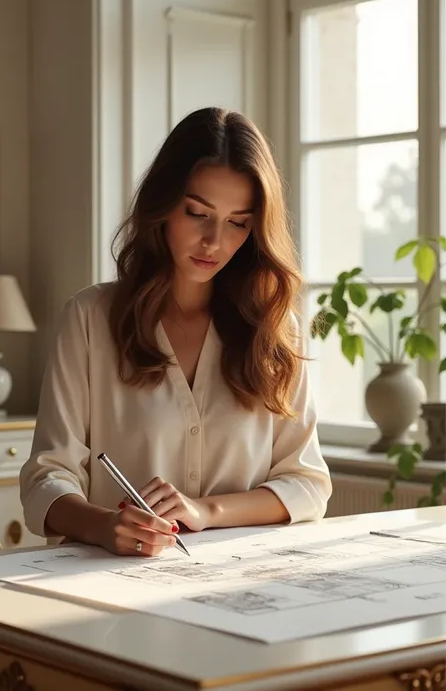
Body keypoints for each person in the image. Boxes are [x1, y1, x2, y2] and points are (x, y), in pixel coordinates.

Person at [20, 107, 332, 558]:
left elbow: (307, 482)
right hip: (110, 587)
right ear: (162, 206)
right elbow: (47, 478)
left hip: (242, 588)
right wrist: (107, 526)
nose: (214, 242)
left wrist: (207, 511)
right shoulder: (90, 318)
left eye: (238, 222)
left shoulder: (275, 330)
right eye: (197, 213)